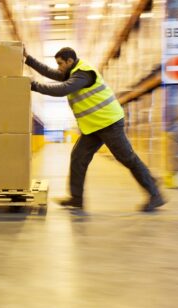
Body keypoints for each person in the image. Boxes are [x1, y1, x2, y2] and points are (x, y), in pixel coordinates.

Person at [24, 47, 166, 214]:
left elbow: (61, 90)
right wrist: (28, 59)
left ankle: (155, 194)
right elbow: (51, 73)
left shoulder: (84, 73)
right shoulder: (72, 72)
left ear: (70, 61)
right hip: (94, 126)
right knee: (78, 158)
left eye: (60, 64)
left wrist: (31, 85)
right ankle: (76, 200)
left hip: (109, 123)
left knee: (127, 158)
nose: (58, 68)